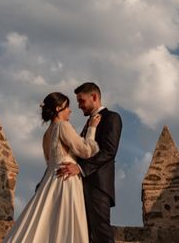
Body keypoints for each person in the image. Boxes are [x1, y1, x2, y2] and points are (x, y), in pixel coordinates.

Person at [3, 92, 101, 243]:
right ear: (58, 108)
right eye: (67, 107)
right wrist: (92, 128)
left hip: (50, 180)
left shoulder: (47, 134)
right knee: (65, 225)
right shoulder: (63, 126)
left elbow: (49, 161)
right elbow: (86, 150)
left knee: (46, 224)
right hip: (66, 180)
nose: (70, 110)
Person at [56, 82, 122, 243]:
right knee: (86, 235)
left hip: (98, 185)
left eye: (81, 101)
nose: (79, 106)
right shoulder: (88, 124)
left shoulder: (111, 118)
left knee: (101, 232)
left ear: (94, 97)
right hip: (82, 185)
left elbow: (109, 151)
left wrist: (80, 168)